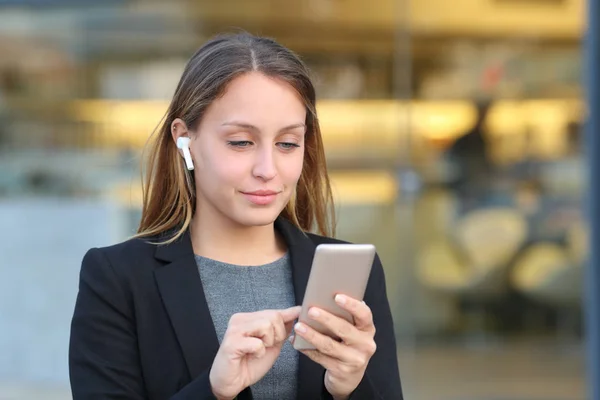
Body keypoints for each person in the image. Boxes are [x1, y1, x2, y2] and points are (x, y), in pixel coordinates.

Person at [69, 32, 402, 400]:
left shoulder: (353, 276)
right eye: (241, 142)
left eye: (288, 144)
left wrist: (349, 390)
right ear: (184, 140)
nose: (267, 169)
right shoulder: (118, 278)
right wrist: (214, 390)